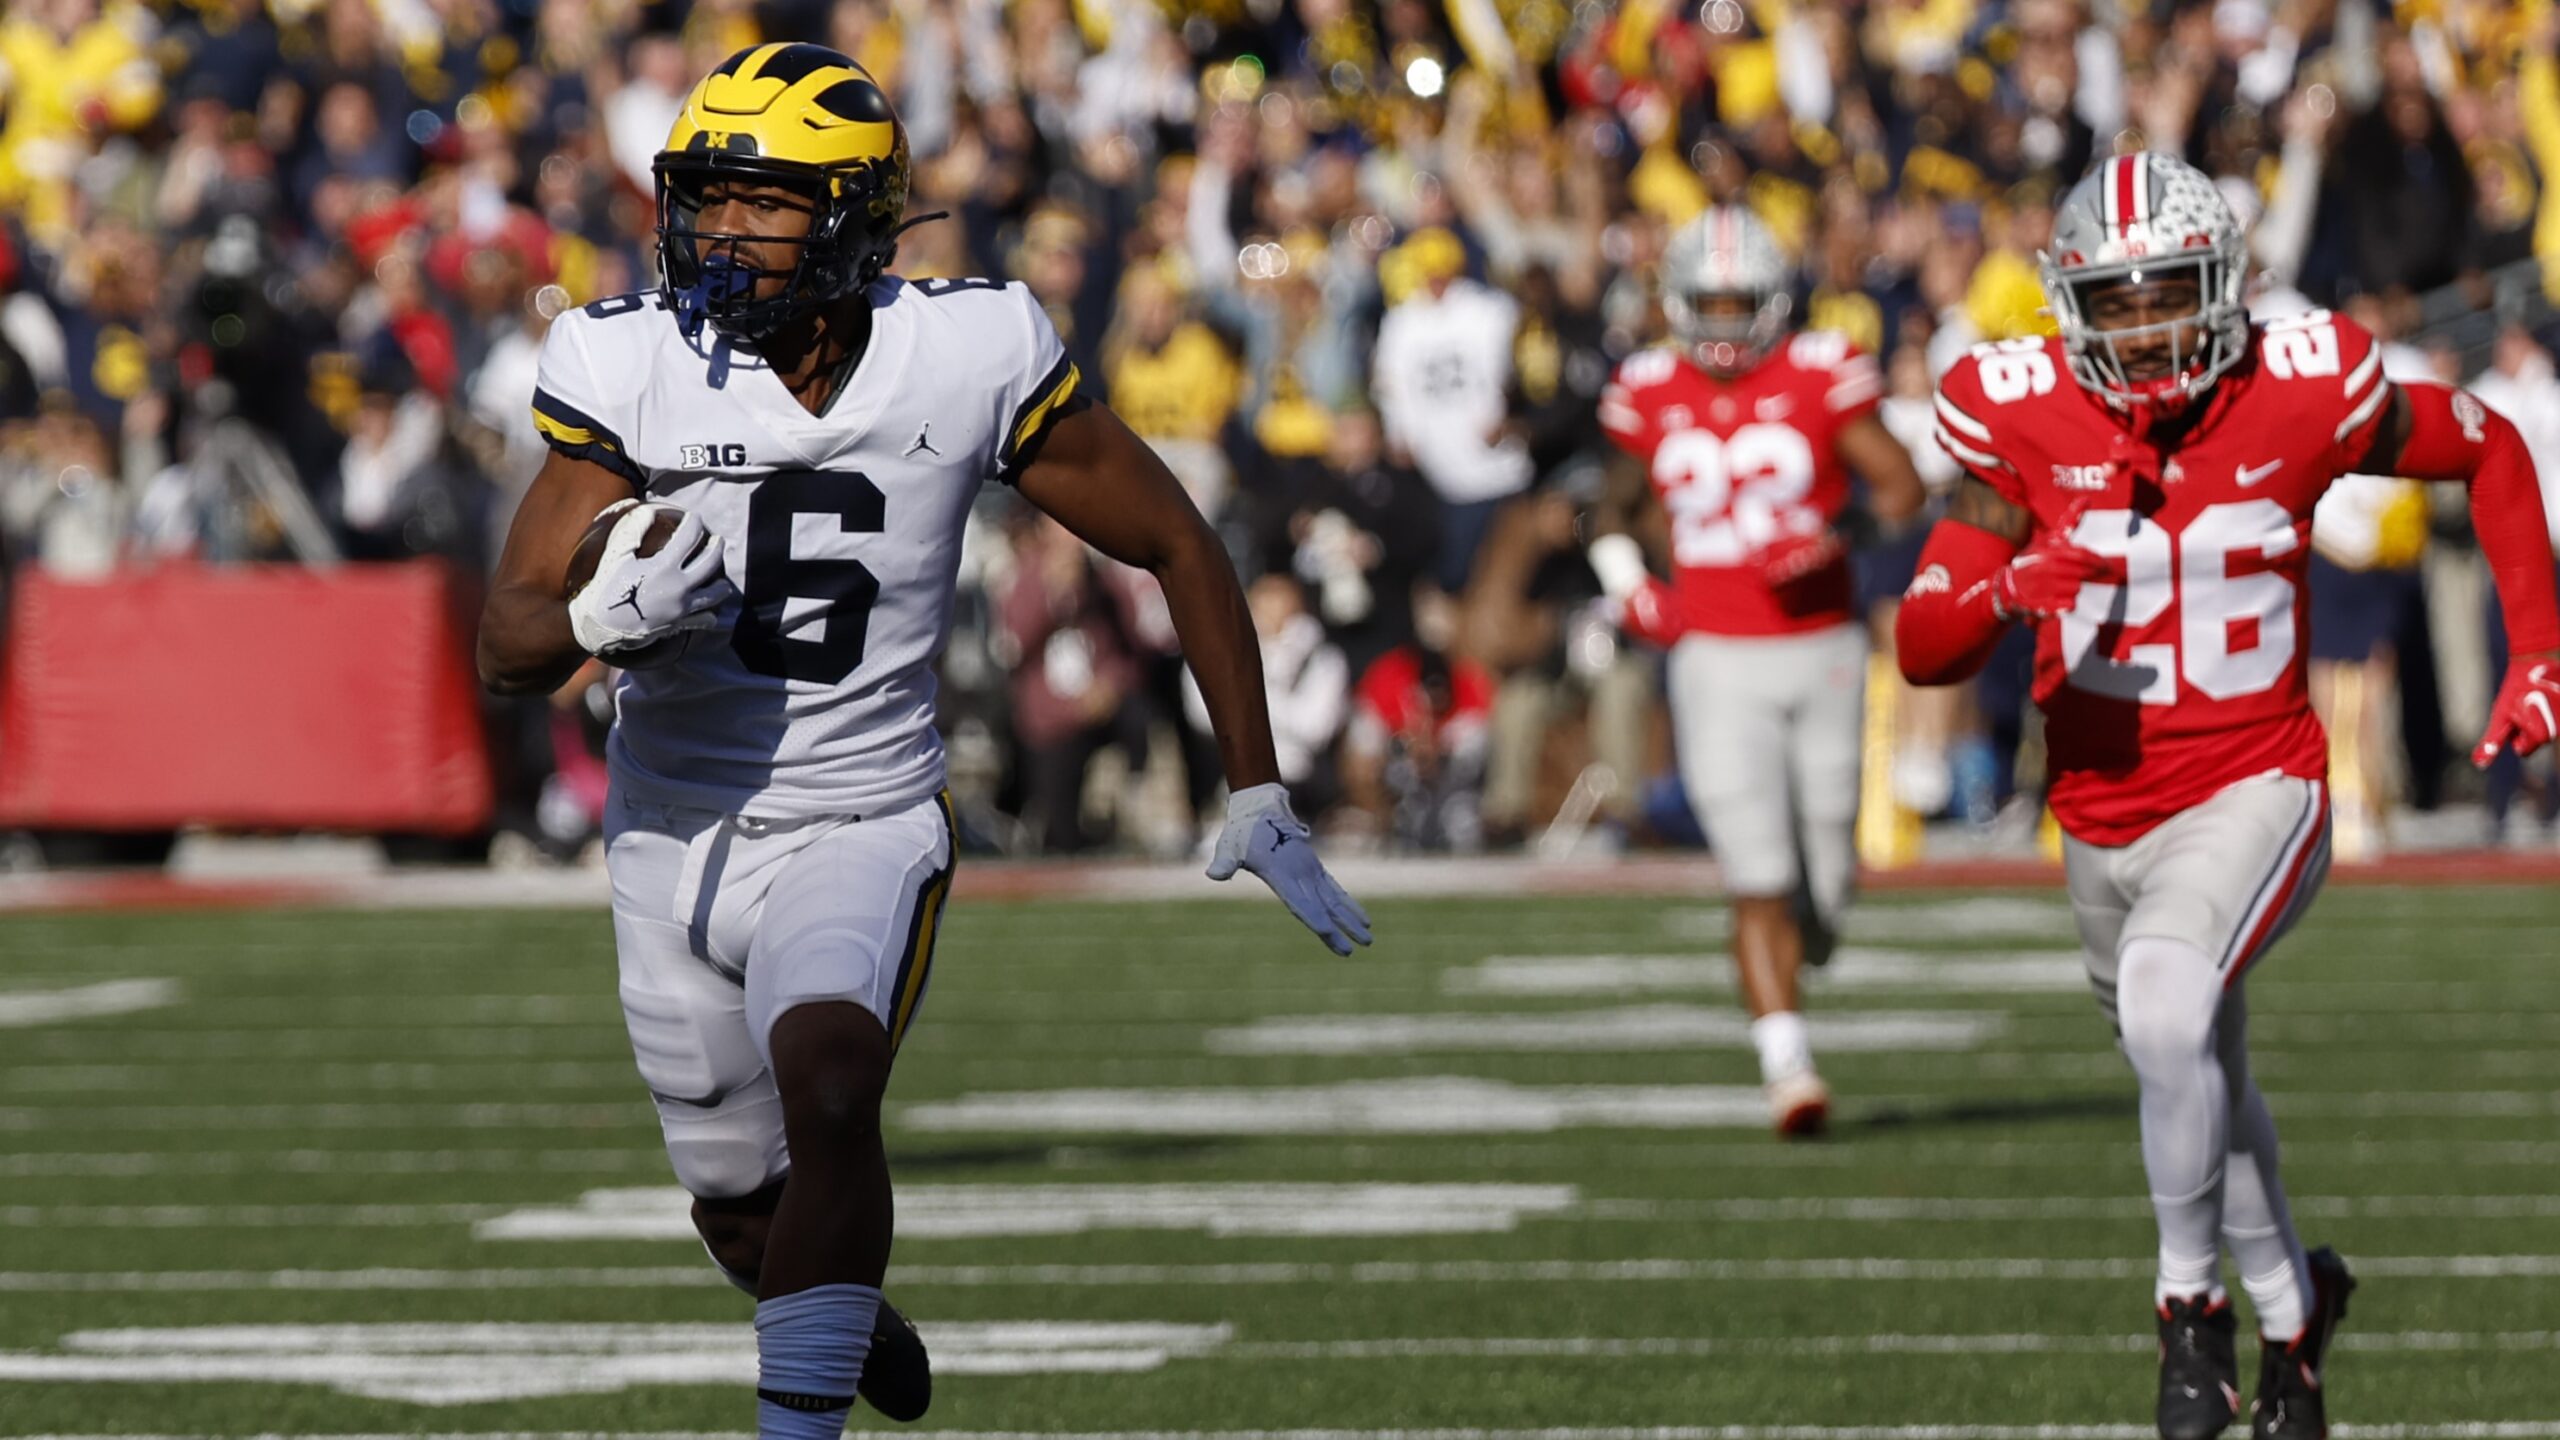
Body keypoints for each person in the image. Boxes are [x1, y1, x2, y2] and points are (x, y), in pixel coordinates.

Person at [474, 44, 1370, 1440]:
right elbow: (508, 643)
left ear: (852, 213)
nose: (722, 233)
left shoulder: (967, 349)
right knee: (740, 1209)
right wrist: (599, 606)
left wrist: (1257, 780)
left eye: (764, 203)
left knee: (834, 1086)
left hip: (865, 814)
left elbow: (1174, 538)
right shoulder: (627, 358)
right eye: (706, 198)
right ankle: (839, 1309)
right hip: (672, 836)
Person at [1896, 152, 2560, 1440]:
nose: (2144, 328)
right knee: (2193, 1064)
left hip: (2261, 780)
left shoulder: (2301, 384)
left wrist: (2537, 648)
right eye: (2116, 300)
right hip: (2097, 811)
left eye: (2169, 294)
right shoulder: (2014, 406)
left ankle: (2185, 1306)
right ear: (2066, 303)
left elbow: (2484, 446)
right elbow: (1927, 638)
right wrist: (1994, 591)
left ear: (2227, 286)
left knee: (2166, 1001)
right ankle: (2293, 1323)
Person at [1585, 204, 1926, 1137]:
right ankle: (1788, 1066)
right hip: (1714, 653)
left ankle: (1802, 952)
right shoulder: (1649, 387)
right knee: (1757, 872)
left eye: (1741, 303)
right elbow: (1604, 504)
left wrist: (1836, 537)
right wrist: (1626, 583)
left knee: (1825, 879)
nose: (1726, 324)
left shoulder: (1820, 370)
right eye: (1709, 303)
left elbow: (1899, 487)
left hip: (1822, 649)